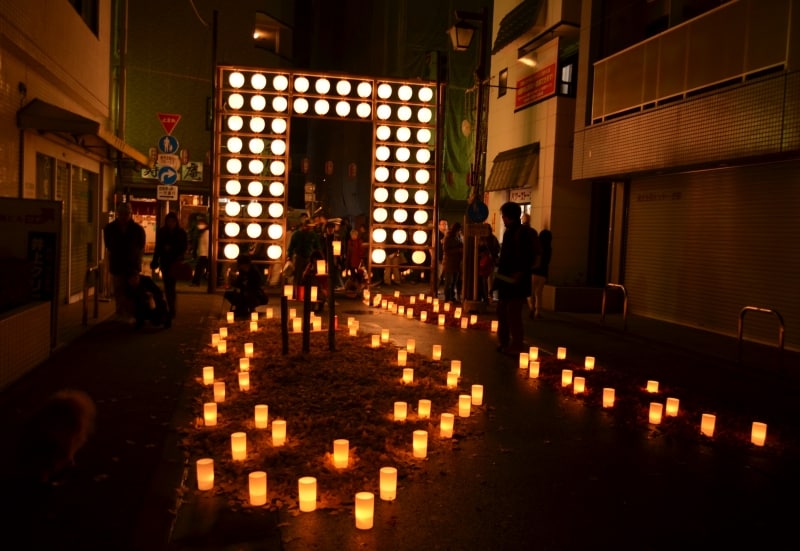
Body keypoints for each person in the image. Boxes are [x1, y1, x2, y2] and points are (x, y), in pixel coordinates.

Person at [493, 202, 541, 355]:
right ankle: (506, 342)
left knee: (511, 314)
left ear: (506, 217)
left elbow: (518, 258)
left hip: (514, 280)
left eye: (503, 216)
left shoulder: (519, 233)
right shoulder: (515, 232)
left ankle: (514, 344)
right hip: (511, 280)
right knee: (505, 312)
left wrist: (516, 273)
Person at [103, 203, 146, 319]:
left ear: (130, 214)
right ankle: (120, 312)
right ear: (118, 214)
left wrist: (137, 265)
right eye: (121, 213)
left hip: (132, 265)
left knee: (131, 291)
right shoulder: (110, 228)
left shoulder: (137, 229)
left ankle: (130, 314)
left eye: (126, 213)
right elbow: (109, 245)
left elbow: (141, 247)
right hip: (117, 264)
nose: (124, 216)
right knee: (119, 290)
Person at [150, 212, 188, 319]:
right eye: (169, 221)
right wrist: (155, 260)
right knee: (168, 285)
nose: (171, 223)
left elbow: (184, 247)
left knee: (171, 285)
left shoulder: (181, 233)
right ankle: (171, 307)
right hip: (166, 262)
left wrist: (174, 251)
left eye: (173, 221)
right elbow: (158, 247)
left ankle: (172, 308)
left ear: (176, 222)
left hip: (175, 262)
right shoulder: (162, 232)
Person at [224, 254, 267, 319]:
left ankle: (246, 309)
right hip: (244, 292)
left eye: (241, 265)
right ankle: (241, 309)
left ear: (246, 264)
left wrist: (245, 286)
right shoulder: (242, 271)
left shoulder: (254, 272)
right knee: (228, 294)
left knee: (246, 296)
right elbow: (239, 283)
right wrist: (232, 282)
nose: (240, 267)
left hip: (255, 294)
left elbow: (256, 286)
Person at [287, 218, 322, 288]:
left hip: (310, 258)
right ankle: (297, 290)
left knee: (309, 275)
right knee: (298, 275)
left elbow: (318, 247)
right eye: (307, 226)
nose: (309, 227)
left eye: (310, 226)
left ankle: (307, 290)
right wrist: (289, 257)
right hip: (299, 257)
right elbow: (291, 247)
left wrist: (319, 256)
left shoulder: (313, 235)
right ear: (303, 226)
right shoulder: (297, 234)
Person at [529, 229, 552, 319]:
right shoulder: (549, 248)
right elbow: (547, 261)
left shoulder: (537, 246)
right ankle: (538, 311)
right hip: (543, 273)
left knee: (531, 292)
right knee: (539, 293)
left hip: (534, 272)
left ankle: (532, 308)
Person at [477, 226, 501, 303]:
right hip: (484, 262)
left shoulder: (492, 238)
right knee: (485, 279)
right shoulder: (482, 238)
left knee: (489, 279)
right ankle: (486, 295)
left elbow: (497, 248)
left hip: (489, 262)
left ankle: (489, 295)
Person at [442, 222, 464, 302]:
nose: (459, 231)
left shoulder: (458, 236)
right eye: (459, 230)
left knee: (454, 281)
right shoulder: (448, 237)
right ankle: (447, 298)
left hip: (457, 263)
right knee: (449, 281)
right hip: (449, 262)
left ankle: (452, 297)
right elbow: (446, 250)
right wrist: (458, 250)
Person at [191, 217, 210, 286]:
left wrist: (208, 254)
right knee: (200, 268)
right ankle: (196, 282)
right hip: (203, 254)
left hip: (204, 254)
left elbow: (207, 244)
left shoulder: (206, 232)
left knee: (199, 269)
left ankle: (196, 282)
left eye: (200, 223)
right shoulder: (202, 232)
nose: (199, 225)